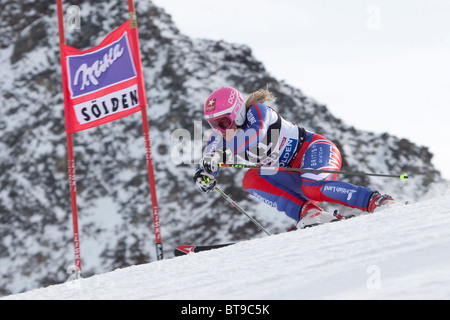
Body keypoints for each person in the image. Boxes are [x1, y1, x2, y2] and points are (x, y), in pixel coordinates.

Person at [193, 87, 394, 229]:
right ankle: (311, 214)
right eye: (213, 124)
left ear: (237, 112)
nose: (219, 129)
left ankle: (376, 200)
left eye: (223, 121)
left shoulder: (257, 112)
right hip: (288, 171)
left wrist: (222, 154)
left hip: (314, 150)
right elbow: (207, 161)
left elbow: (255, 132)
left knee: (314, 188)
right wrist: (204, 174)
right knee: (250, 179)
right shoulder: (220, 137)